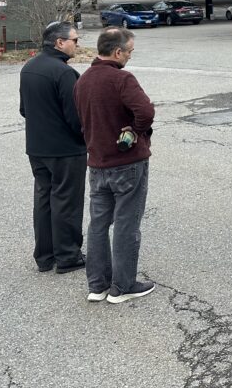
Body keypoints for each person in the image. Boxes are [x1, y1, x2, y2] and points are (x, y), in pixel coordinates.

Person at [74, 27, 156, 304]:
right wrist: (136, 130)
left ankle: (97, 285)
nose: (131, 56)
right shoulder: (122, 79)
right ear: (118, 51)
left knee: (98, 223)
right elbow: (146, 111)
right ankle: (123, 285)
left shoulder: (83, 80)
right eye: (130, 51)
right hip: (127, 162)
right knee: (126, 223)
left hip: (97, 162)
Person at [19, 21, 86, 274]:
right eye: (74, 40)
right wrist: (85, 139)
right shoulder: (63, 72)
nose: (77, 45)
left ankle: (45, 256)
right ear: (59, 42)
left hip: (37, 149)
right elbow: (75, 117)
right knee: (66, 201)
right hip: (65, 150)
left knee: (44, 200)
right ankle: (68, 256)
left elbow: (24, 109)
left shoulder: (30, 67)